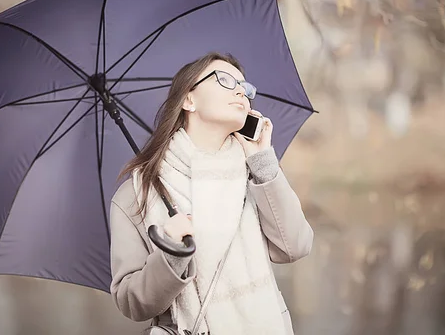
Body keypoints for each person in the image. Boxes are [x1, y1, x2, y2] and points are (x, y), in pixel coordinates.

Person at [109, 52, 314, 335]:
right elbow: (132, 303)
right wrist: (172, 253)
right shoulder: (136, 194)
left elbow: (296, 245)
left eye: (245, 86)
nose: (241, 91)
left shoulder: (253, 171)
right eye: (225, 80)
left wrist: (263, 162)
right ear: (188, 100)